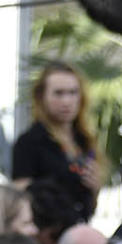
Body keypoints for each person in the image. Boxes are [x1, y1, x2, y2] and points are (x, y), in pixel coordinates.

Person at [12, 62, 101, 228]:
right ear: (42, 97)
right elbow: (20, 197)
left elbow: (90, 204)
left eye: (73, 93)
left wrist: (95, 188)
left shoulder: (84, 141)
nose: (66, 101)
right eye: (58, 93)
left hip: (79, 230)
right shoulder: (30, 142)